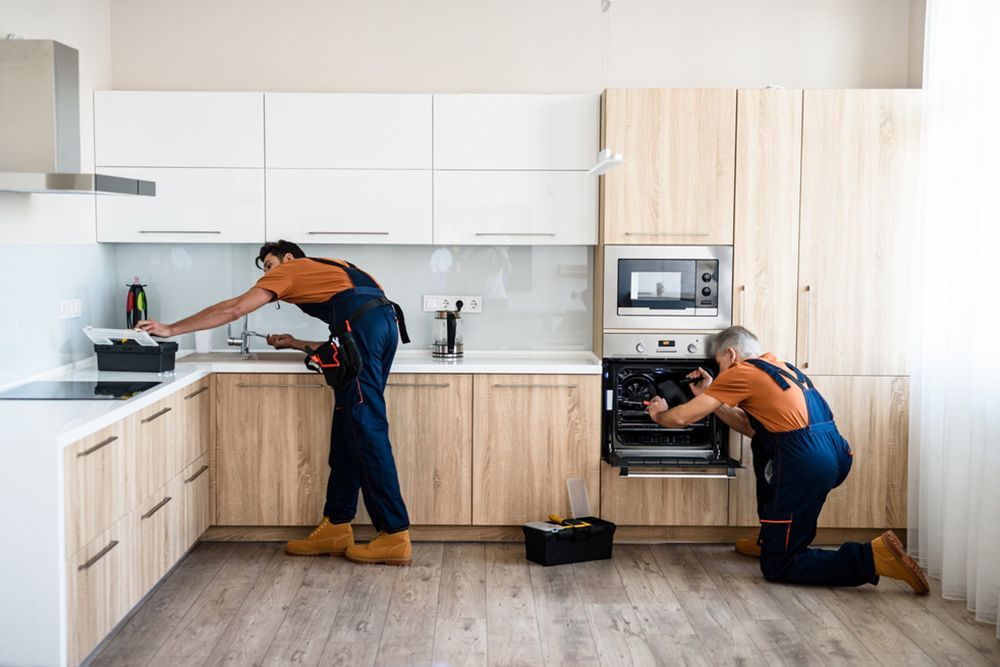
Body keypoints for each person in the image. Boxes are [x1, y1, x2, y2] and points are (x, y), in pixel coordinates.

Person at [137, 240, 413, 566]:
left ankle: (394, 534)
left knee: (366, 429)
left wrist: (172, 328)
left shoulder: (292, 269)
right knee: (349, 428)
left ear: (288, 258)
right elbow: (352, 334)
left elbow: (235, 308)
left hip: (364, 330)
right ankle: (336, 526)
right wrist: (296, 343)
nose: (267, 275)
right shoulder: (336, 269)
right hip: (383, 326)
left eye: (269, 266)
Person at [644, 326, 928, 593]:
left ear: (731, 354)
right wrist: (710, 393)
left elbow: (682, 417)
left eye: (719, 364)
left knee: (779, 565)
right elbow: (752, 428)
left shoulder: (741, 371)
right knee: (762, 443)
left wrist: (659, 415)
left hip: (805, 461)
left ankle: (872, 558)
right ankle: (771, 538)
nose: (719, 372)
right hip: (833, 453)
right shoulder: (784, 369)